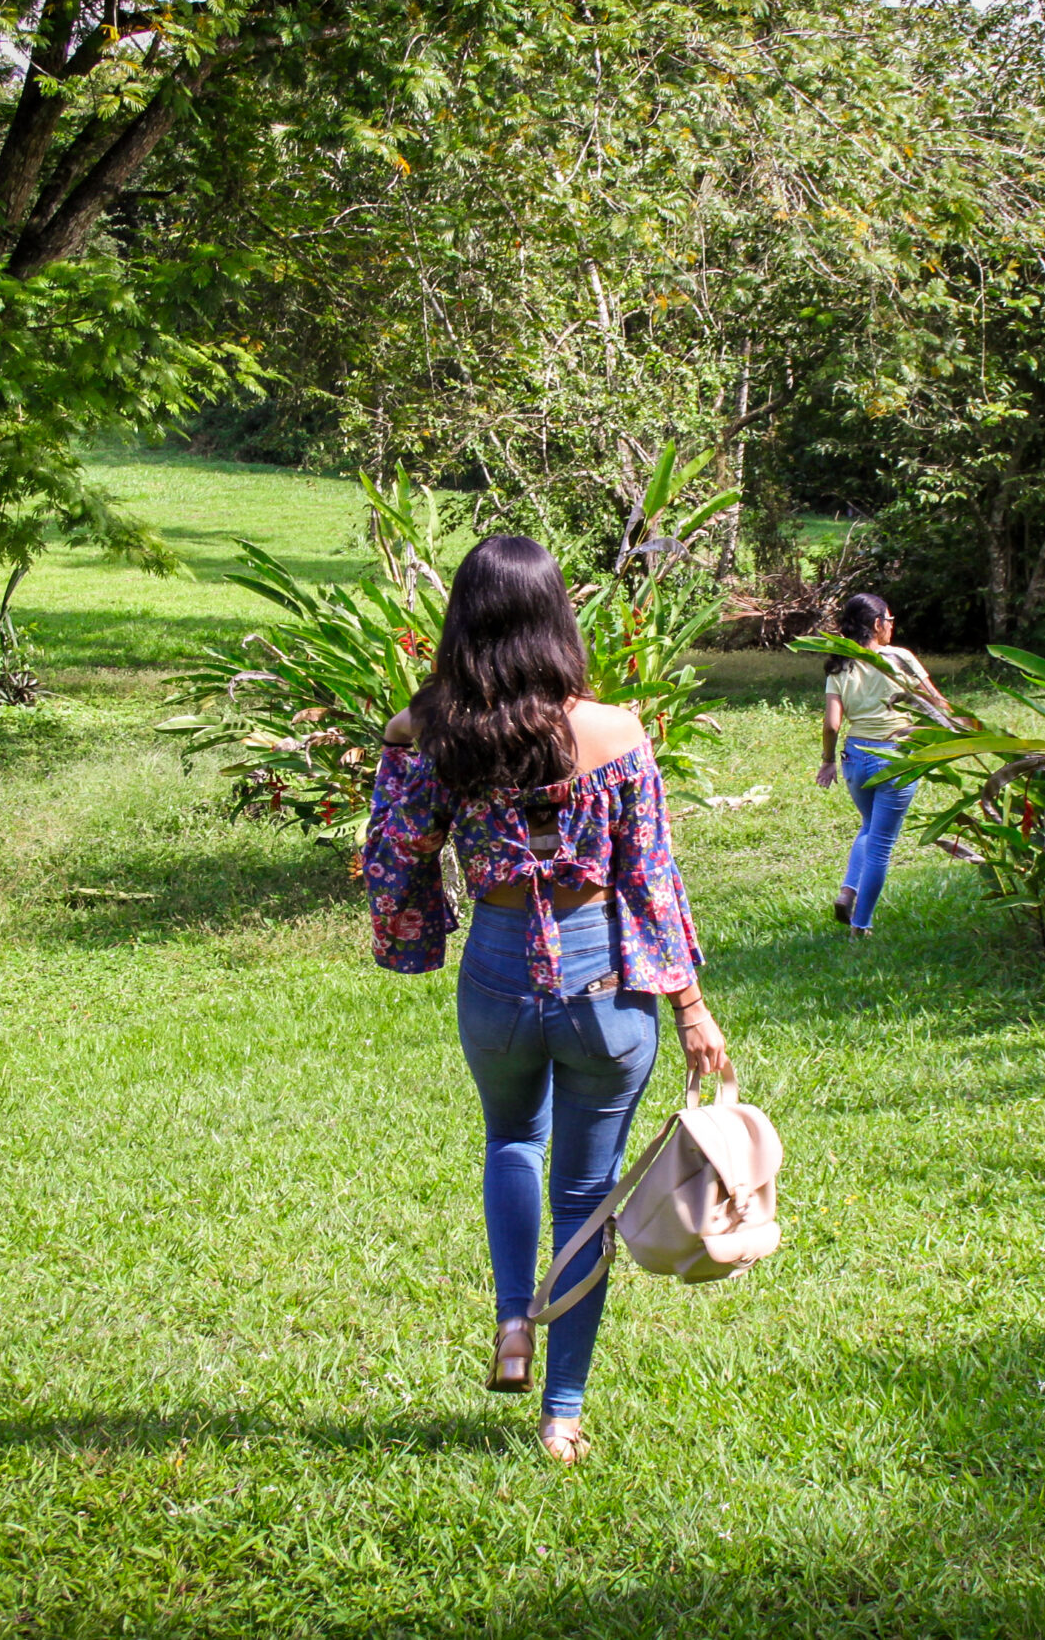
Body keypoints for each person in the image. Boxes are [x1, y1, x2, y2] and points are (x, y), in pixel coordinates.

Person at [363, 534, 732, 1465]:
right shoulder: (619, 733)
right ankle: (562, 1415)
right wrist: (691, 1008)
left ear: (466, 619)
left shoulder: (430, 731)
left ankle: (510, 1322)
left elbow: (396, 856)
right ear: (555, 618)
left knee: (510, 1142)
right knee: (585, 1197)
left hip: (495, 975)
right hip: (603, 983)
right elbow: (651, 881)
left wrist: (413, 930)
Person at [814, 593, 950, 937]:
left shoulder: (839, 664)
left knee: (870, 825)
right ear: (877, 624)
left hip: (855, 757)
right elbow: (938, 704)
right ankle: (861, 926)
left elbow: (831, 725)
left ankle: (848, 890)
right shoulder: (900, 658)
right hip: (895, 757)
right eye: (889, 620)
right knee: (881, 844)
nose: (891, 626)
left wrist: (828, 761)